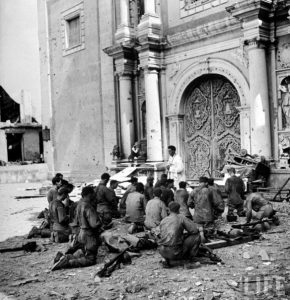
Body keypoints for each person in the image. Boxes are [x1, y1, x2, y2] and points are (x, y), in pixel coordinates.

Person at [51, 186, 102, 271]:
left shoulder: (79, 204)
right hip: (88, 235)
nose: (94, 195)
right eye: (93, 194)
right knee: (90, 259)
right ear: (89, 194)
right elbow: (94, 224)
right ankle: (67, 263)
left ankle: (65, 257)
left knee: (83, 252)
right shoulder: (88, 206)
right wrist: (100, 221)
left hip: (81, 233)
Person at [158, 202, 203, 267]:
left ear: (169, 210)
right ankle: (189, 259)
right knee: (196, 236)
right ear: (179, 209)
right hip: (174, 252)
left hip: (162, 251)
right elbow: (194, 230)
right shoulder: (180, 217)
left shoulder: (163, 220)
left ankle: (167, 260)